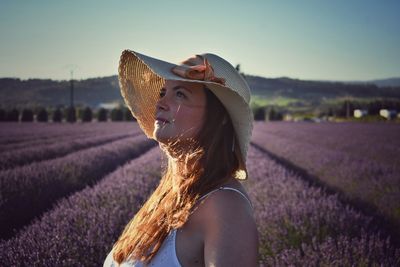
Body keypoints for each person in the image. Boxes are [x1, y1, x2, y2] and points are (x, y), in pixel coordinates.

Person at [103, 50, 259, 267]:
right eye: (163, 92)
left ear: (219, 117)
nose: (160, 103)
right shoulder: (168, 193)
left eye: (180, 94)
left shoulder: (225, 207)